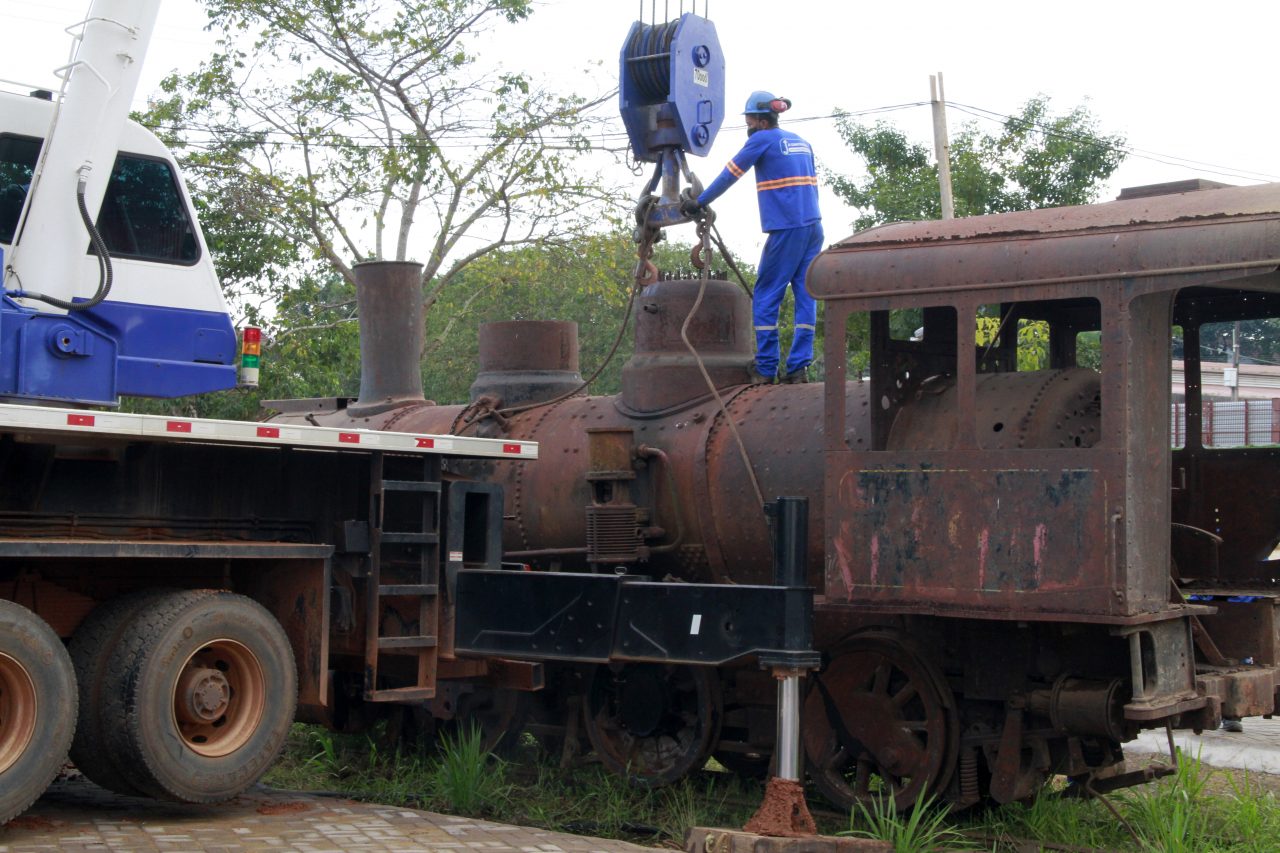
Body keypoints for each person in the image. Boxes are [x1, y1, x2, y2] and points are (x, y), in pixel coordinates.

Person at [683, 90, 823, 384]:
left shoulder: (760, 140)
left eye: (747, 118)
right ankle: (798, 368)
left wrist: (699, 202)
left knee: (766, 294)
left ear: (758, 120)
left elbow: (729, 175)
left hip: (787, 229)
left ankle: (767, 367)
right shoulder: (802, 142)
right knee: (806, 295)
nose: (746, 123)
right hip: (813, 227)